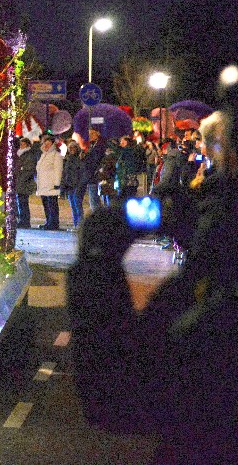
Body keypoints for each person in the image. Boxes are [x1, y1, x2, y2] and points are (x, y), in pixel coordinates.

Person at [67, 75, 238, 464]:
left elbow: (121, 399)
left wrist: (97, 262)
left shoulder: (222, 299)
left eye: (220, 151)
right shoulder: (214, 242)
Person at [35, 134, 64, 230]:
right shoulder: (43, 155)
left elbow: (58, 170)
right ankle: (48, 222)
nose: (46, 146)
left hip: (51, 184)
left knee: (52, 205)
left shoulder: (56, 155)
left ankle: (54, 223)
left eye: (48, 144)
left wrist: (56, 184)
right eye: (45, 144)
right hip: (43, 184)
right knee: (46, 205)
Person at [78, 127, 107, 213]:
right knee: (93, 201)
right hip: (91, 176)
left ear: (97, 134)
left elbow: (95, 160)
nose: (90, 136)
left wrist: (86, 157)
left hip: (95, 176)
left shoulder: (100, 146)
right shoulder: (92, 145)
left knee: (94, 202)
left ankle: (98, 221)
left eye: (92, 134)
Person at [13, 137, 38, 228]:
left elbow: (29, 169)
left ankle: (25, 221)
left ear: (27, 145)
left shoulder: (29, 155)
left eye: (23, 144)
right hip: (19, 182)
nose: (21, 145)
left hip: (24, 182)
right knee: (20, 202)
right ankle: (22, 220)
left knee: (23, 202)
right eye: (20, 144)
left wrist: (21, 175)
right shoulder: (20, 154)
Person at [61, 140, 85, 229]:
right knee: (72, 205)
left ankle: (80, 224)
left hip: (77, 185)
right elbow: (65, 173)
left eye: (73, 147)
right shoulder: (67, 159)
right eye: (70, 148)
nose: (71, 149)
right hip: (69, 185)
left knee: (77, 204)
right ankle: (76, 224)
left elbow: (81, 171)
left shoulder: (80, 158)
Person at [114, 135, 143, 200]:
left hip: (127, 180)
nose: (120, 143)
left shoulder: (128, 151)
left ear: (126, 142)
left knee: (127, 199)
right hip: (126, 180)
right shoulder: (127, 151)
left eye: (122, 141)